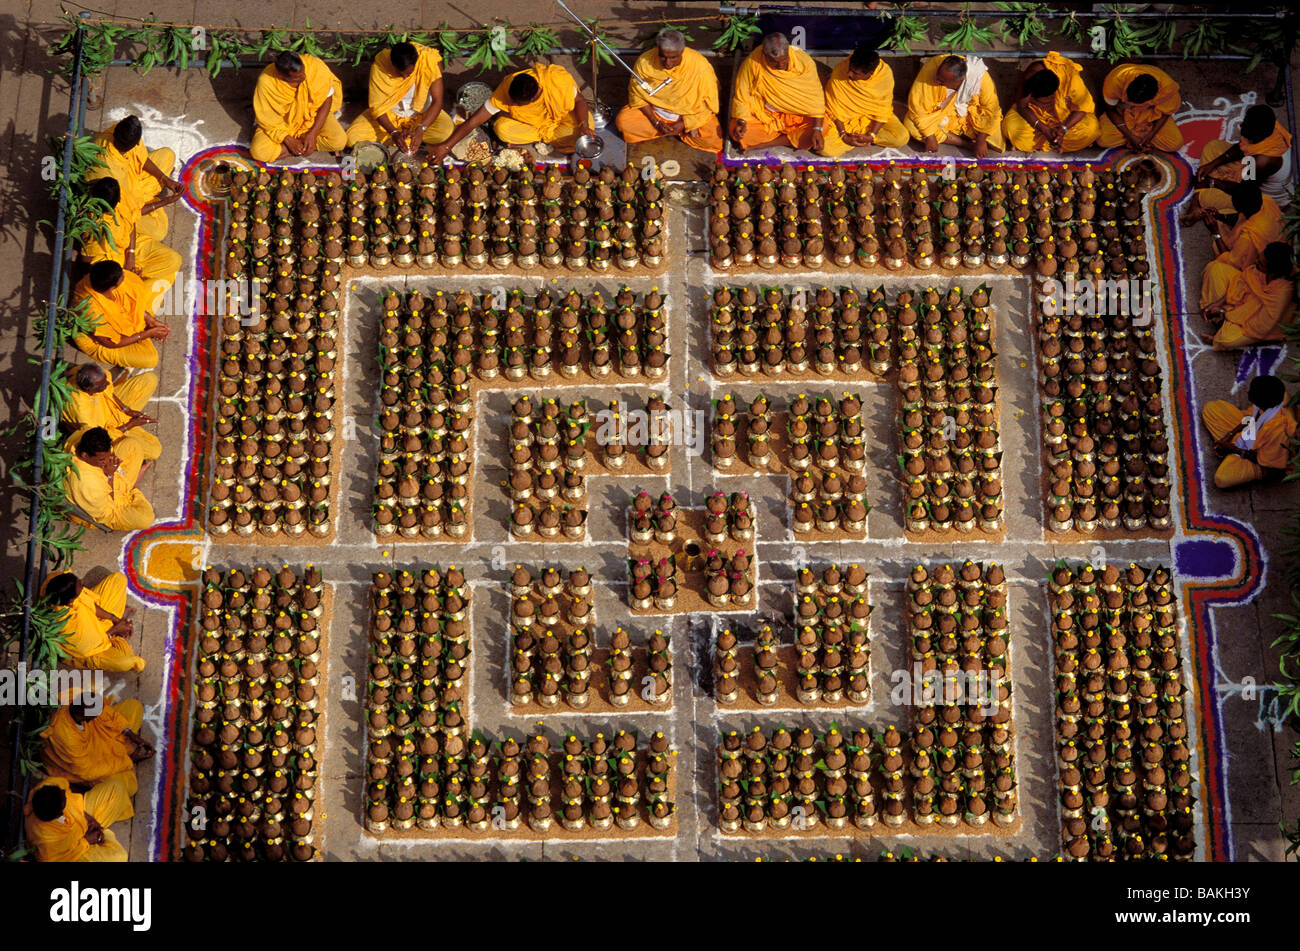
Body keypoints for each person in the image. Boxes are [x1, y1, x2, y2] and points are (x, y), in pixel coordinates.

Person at [432, 64, 590, 160]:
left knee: (586, 130)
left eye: (517, 104)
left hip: (561, 120)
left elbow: (580, 101)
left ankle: (550, 137)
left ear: (533, 99)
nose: (511, 104)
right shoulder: (506, 89)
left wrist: (584, 125)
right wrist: (446, 146)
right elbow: (474, 121)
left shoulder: (555, 80)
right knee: (501, 129)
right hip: (533, 127)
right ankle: (547, 138)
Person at [614, 29, 723, 152]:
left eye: (673, 57)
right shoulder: (645, 62)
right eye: (662, 57)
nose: (668, 63)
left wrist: (685, 124)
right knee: (624, 122)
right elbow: (637, 97)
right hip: (657, 114)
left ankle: (679, 130)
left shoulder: (699, 64)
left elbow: (710, 103)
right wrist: (656, 122)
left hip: (690, 115)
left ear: (682, 52)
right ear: (658, 51)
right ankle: (675, 132)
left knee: (713, 138)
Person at [1185, 104, 1294, 222]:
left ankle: (1196, 202)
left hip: (1262, 199)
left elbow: (1244, 195)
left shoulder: (1262, 162)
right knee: (1212, 147)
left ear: (1256, 134)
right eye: (1245, 120)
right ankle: (1196, 202)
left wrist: (1212, 182)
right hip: (1251, 176)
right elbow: (1243, 146)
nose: (1241, 124)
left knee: (1205, 197)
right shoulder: (1269, 129)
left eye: (1246, 125)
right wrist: (1212, 164)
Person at [345, 41, 454, 154]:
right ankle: (405, 139)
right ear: (392, 64)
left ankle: (408, 138)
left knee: (446, 132)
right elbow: (377, 108)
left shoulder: (429, 61)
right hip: (390, 116)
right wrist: (393, 132)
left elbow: (437, 100)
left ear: (416, 63)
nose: (404, 77)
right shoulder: (380, 67)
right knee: (352, 137)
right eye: (399, 73)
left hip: (422, 116)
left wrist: (421, 129)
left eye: (409, 73)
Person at [86, 115, 184, 241]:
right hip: (127, 200)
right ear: (136, 143)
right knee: (159, 232)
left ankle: (155, 190)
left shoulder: (116, 132)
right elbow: (130, 213)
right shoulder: (110, 179)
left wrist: (165, 179)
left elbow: (141, 158)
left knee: (167, 155)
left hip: (135, 182)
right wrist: (165, 201)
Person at [729, 33, 826, 153]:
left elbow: (816, 97)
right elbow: (742, 95)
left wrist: (817, 129)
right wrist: (742, 121)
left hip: (797, 116)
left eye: (784, 60)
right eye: (774, 62)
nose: (780, 65)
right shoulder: (753, 63)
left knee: (824, 125)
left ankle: (765, 144)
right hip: (766, 116)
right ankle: (788, 139)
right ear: (764, 55)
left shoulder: (804, 61)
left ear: (789, 52)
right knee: (736, 130)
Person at [78, 177, 181, 288]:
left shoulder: (120, 198)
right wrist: (122, 273)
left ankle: (136, 282)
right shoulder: (94, 224)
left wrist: (131, 255)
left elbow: (132, 219)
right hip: (113, 263)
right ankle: (134, 286)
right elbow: (87, 260)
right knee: (126, 287)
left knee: (173, 260)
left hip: (133, 243)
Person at [72, 260, 171, 371]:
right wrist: (147, 333)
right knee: (151, 359)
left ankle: (139, 331)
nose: (125, 275)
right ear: (112, 287)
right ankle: (137, 338)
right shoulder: (89, 308)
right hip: (102, 342)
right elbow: (109, 342)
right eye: (122, 277)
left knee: (157, 284)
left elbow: (129, 302)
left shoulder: (104, 278)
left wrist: (149, 319)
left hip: (126, 322)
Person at [1201, 375, 1297, 488]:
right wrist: (1229, 435)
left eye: (1251, 392)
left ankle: (1232, 456)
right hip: (1252, 434)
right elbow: (1249, 418)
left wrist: (1231, 448)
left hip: (1263, 459)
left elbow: (1264, 461)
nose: (1247, 392)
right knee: (1211, 409)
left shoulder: (1279, 431)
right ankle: (1229, 451)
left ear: (1261, 401)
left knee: (1222, 479)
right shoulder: (1272, 400)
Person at [251, 50, 347, 163]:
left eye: (303, 72)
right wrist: (288, 140)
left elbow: (327, 98)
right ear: (282, 77)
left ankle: (299, 146)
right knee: (259, 151)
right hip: (283, 126)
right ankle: (301, 147)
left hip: (313, 118)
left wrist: (313, 134)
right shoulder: (267, 82)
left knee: (339, 140)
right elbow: (268, 119)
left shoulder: (313, 65)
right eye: (297, 78)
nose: (304, 77)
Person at [42, 570, 146, 673]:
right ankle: (118, 635)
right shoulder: (72, 626)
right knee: (126, 661)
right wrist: (116, 630)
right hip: (92, 649)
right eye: (80, 585)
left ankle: (119, 620)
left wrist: (115, 619)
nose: (82, 582)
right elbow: (95, 644)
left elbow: (91, 605)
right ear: (70, 601)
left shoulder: (55, 582)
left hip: (92, 622)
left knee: (119, 579)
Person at [42, 693, 154, 788]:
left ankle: (123, 747)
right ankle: (123, 754)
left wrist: (130, 733)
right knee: (129, 785)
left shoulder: (75, 698)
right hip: (90, 761)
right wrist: (129, 760)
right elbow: (87, 771)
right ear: (84, 716)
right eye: (96, 714)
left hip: (97, 734)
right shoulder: (68, 739)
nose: (100, 714)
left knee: (134, 706)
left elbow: (106, 712)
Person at [905, 53, 1004, 157]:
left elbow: (992, 110)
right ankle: (964, 143)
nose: (936, 81)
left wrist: (981, 140)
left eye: (942, 81)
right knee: (912, 126)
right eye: (938, 77)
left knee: (995, 133)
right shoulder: (932, 68)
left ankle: (971, 138)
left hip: (969, 119)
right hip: (941, 117)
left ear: (959, 82)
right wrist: (930, 136)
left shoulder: (980, 78)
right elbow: (919, 108)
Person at [1200, 241, 1295, 349]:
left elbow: (1261, 326)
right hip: (1242, 302)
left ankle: (1225, 321)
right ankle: (1223, 318)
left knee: (1226, 339)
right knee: (1216, 269)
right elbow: (1242, 280)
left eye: (1260, 263)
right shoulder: (1262, 269)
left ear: (1272, 271)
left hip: (1255, 322)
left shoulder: (1284, 291)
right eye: (1258, 258)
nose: (1255, 262)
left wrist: (1225, 313)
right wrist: (1219, 302)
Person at [819, 43, 909, 157]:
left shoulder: (884, 75)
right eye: (850, 69)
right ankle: (854, 140)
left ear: (869, 74)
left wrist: (872, 135)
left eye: (855, 73)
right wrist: (843, 135)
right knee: (826, 149)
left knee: (901, 138)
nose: (849, 74)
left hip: (872, 119)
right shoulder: (840, 70)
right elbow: (833, 108)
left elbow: (882, 110)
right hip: (844, 121)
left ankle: (864, 139)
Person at [62, 363, 161, 461]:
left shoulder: (90, 372)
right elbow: (100, 437)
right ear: (89, 389)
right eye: (103, 385)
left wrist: (126, 409)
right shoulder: (82, 411)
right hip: (108, 429)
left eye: (105, 381)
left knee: (150, 379)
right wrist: (130, 424)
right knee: (154, 451)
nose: (108, 383)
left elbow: (109, 392)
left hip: (113, 408)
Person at [1003, 52, 1099, 154]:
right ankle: (1056, 143)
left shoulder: (1068, 75)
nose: (1050, 99)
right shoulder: (1030, 77)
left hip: (1065, 120)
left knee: (1091, 129)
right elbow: (1022, 106)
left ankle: (1051, 142)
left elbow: (1082, 108)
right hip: (1036, 120)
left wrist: (1062, 130)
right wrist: (1045, 130)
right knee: (1011, 128)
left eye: (1051, 96)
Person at [64, 425, 155, 532]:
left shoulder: (84, 434)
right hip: (107, 500)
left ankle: (129, 486)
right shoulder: (86, 483)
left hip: (109, 476)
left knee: (132, 445)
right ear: (85, 455)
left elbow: (112, 436)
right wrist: (110, 475)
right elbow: (107, 513)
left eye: (109, 455)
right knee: (146, 519)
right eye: (102, 459)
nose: (108, 460)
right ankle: (135, 487)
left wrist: (109, 463)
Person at [24, 776, 135, 862]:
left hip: (80, 817)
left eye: (64, 795)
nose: (65, 794)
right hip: (76, 850)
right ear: (57, 815)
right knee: (119, 857)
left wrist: (86, 816)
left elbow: (70, 797)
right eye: (64, 803)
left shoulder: (51, 785)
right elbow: (62, 858)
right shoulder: (46, 839)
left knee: (117, 785)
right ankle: (103, 834)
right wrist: (86, 841)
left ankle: (99, 833)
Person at [1097, 64, 1183, 153]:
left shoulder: (1167, 88)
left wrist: (1150, 136)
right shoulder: (1116, 80)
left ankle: (1141, 140)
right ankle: (1138, 139)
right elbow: (1110, 109)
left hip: (1150, 116)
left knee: (1175, 144)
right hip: (1123, 113)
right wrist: (1131, 136)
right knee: (1103, 140)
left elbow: (1166, 113)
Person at [1204, 182, 1284, 271]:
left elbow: (1230, 262)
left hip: (1263, 260)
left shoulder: (1248, 238)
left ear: (1239, 208)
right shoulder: (1265, 200)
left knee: (1216, 255)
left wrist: (1215, 233)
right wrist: (1220, 216)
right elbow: (1242, 217)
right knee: (1224, 215)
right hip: (1276, 239)